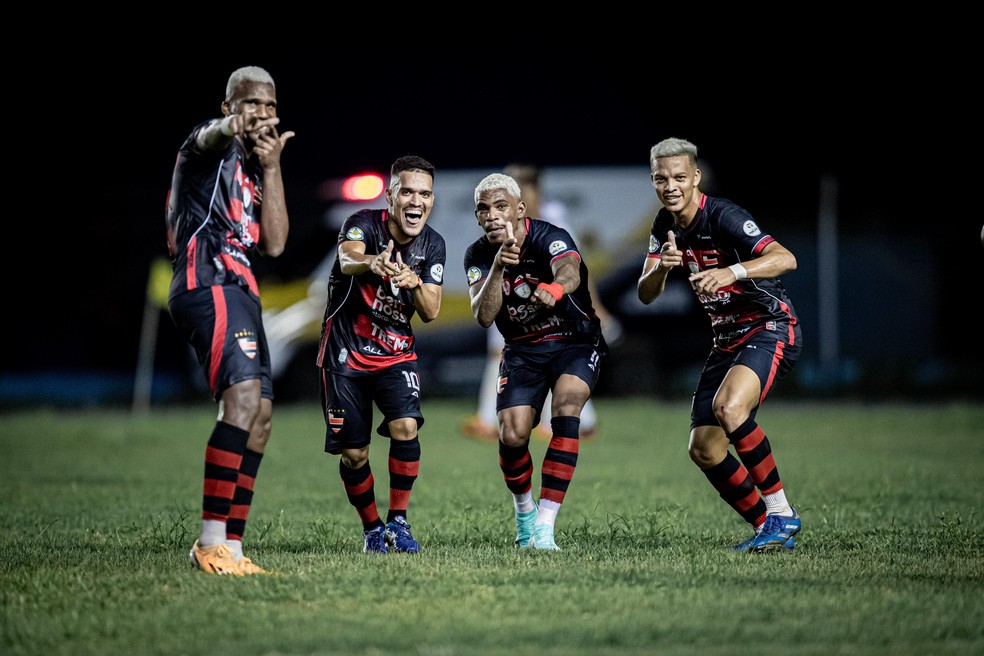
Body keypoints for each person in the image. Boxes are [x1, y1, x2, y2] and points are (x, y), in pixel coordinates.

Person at [636, 137, 802, 552]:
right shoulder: (664, 224)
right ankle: (769, 528)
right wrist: (661, 270)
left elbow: (785, 258)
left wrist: (733, 272)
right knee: (704, 449)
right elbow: (645, 294)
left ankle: (781, 514)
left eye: (679, 177)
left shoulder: (723, 215)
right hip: (726, 340)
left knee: (729, 408)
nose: (670, 186)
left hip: (768, 326)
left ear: (695, 177)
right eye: (661, 179)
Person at [165, 66, 295, 575]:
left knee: (260, 416)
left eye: (270, 104)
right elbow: (209, 136)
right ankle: (209, 542)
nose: (262, 112)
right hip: (208, 281)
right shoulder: (206, 148)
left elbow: (276, 243)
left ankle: (233, 549)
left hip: (242, 291)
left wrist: (273, 166)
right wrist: (230, 127)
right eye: (251, 103)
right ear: (229, 107)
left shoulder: (256, 168)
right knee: (241, 401)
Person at [464, 172, 608, 550]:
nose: (493, 215)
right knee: (512, 434)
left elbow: (570, 268)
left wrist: (556, 287)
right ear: (477, 216)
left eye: (501, 206)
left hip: (574, 340)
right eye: (484, 209)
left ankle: (545, 526)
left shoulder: (549, 235)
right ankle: (525, 512)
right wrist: (498, 267)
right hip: (523, 349)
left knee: (567, 405)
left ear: (520, 210)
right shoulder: (477, 256)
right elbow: (484, 315)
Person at [316, 155, 445, 554]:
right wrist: (373, 261)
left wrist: (414, 282)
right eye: (407, 192)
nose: (416, 201)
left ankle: (398, 523)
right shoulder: (363, 223)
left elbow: (431, 310)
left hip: (396, 355)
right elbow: (346, 258)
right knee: (354, 455)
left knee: (406, 427)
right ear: (390, 196)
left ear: (432, 200)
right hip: (346, 354)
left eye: (425, 194)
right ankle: (372, 528)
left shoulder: (433, 244)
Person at [460, 163, 620, 443]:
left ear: (533, 191)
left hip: (553, 304)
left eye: (518, 185)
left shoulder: (553, 220)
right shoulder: (496, 230)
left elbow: (574, 266)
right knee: (505, 353)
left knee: (559, 355)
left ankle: (578, 421)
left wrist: (593, 306)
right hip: (514, 299)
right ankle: (491, 418)